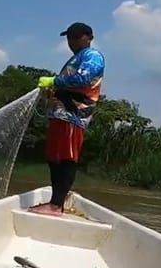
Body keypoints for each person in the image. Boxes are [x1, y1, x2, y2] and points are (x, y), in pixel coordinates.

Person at [28, 22, 105, 216]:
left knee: (66, 158)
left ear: (89, 38)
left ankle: (56, 206)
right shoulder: (75, 58)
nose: (72, 41)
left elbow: (83, 79)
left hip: (73, 115)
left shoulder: (92, 56)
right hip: (60, 115)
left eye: (76, 37)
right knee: (54, 158)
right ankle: (55, 202)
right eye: (69, 37)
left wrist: (55, 80)